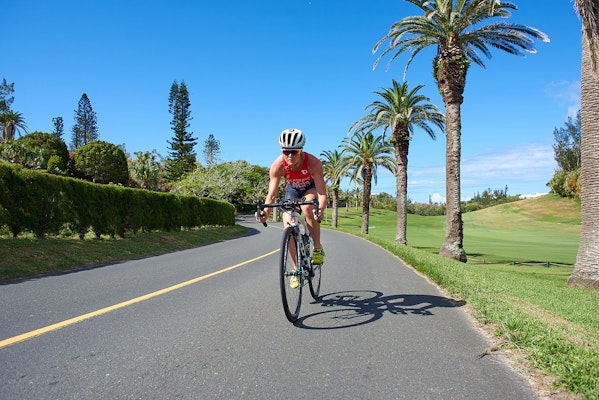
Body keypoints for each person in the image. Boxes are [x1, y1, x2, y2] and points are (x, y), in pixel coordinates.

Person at [257, 128, 327, 286]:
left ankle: (317, 248)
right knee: (287, 220)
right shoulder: (277, 165)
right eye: (285, 151)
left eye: (294, 152)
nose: (289, 155)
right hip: (293, 190)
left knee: (307, 208)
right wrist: (265, 212)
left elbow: (322, 193)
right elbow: (272, 195)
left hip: (310, 188)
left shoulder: (313, 163)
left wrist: (320, 209)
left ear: (301, 150)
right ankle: (296, 269)